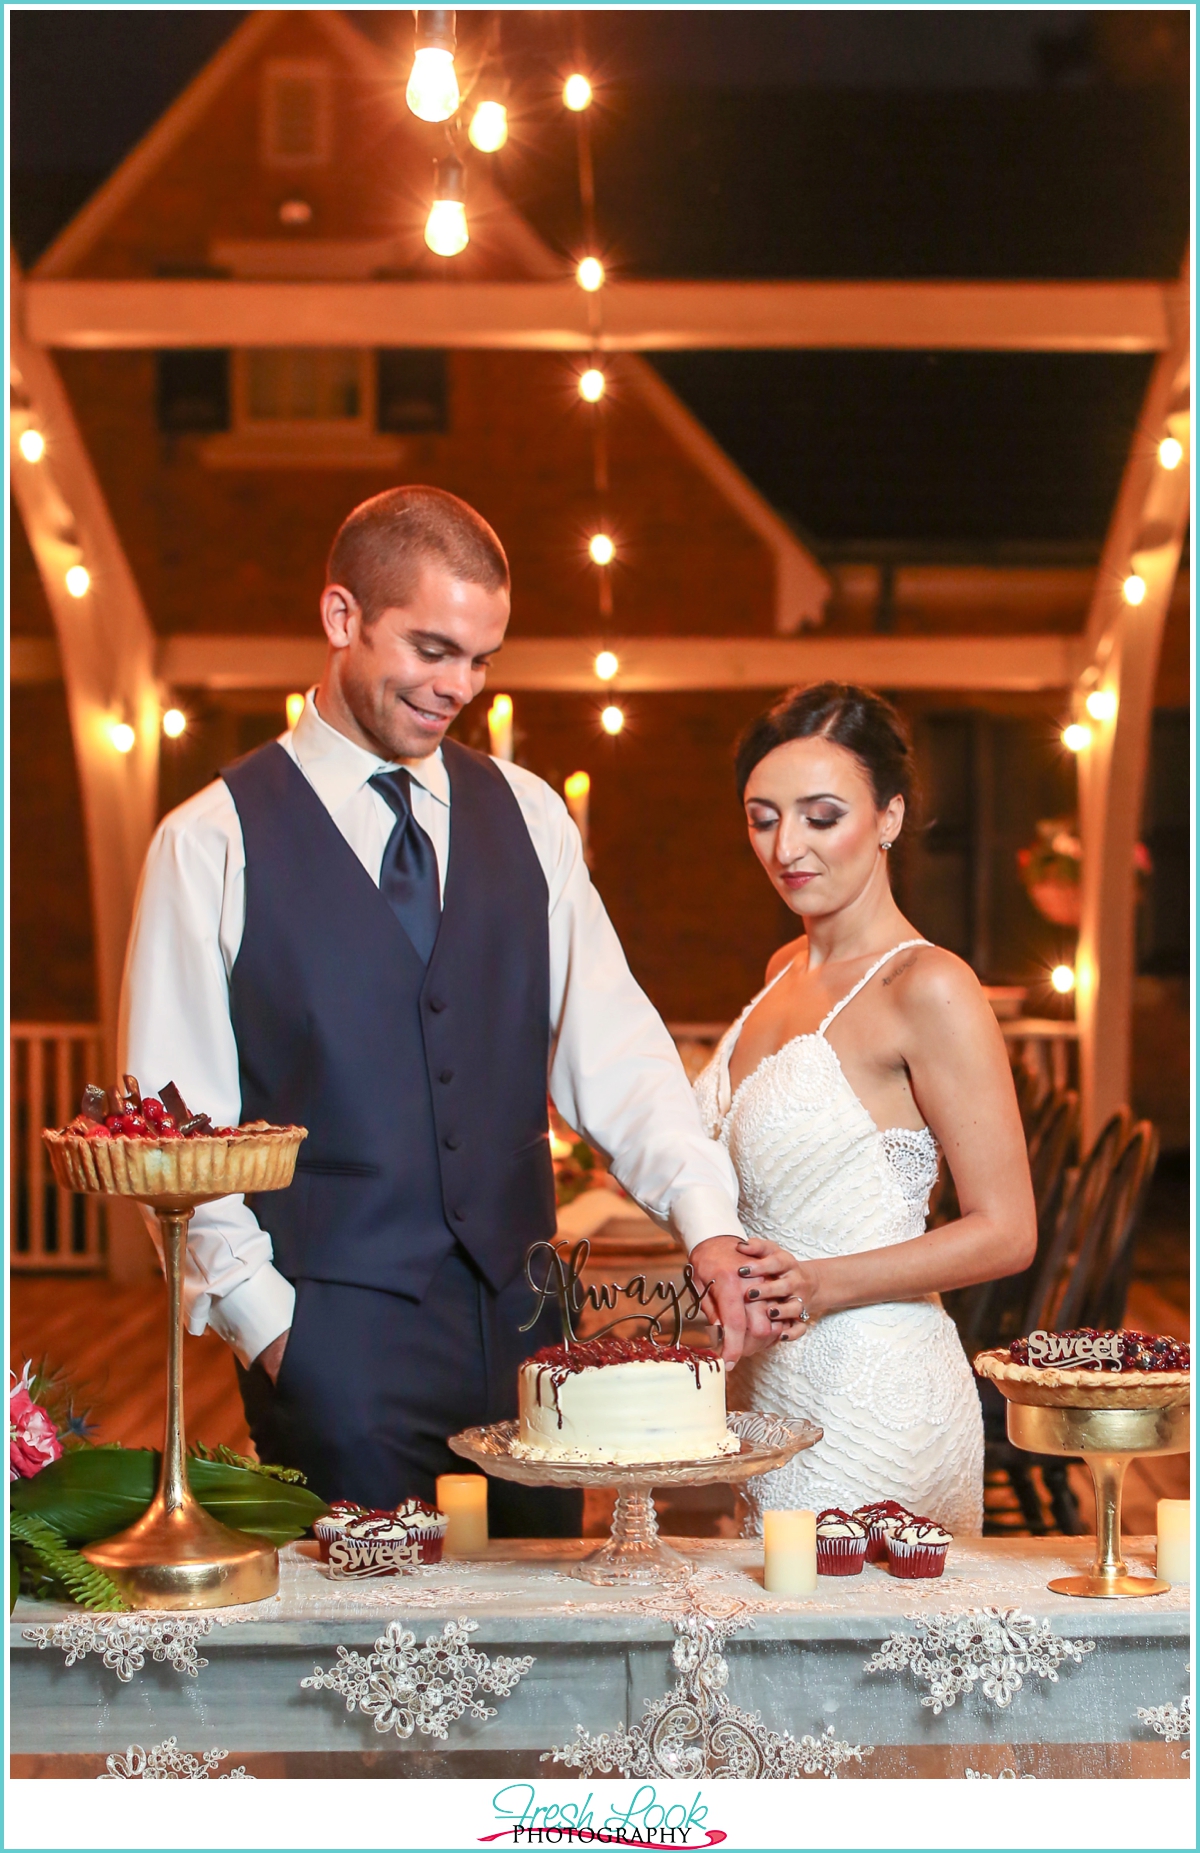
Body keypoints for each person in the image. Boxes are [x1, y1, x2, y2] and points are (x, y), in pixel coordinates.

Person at [120, 485, 775, 1532]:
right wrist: (276, 1329)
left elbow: (617, 1053)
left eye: (481, 659)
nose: (459, 686)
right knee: (357, 1677)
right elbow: (175, 1136)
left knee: (540, 1661)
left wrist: (708, 1225)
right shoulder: (210, 841)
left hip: (528, 1344)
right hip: (331, 1345)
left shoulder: (531, 817)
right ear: (343, 617)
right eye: (432, 649)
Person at [693, 683, 1037, 1534]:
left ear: (888, 817)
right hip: (768, 1390)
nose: (787, 846)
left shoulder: (930, 986)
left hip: (877, 1393)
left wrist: (820, 1282)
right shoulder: (784, 966)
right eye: (762, 817)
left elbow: (1008, 1229)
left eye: (820, 815)